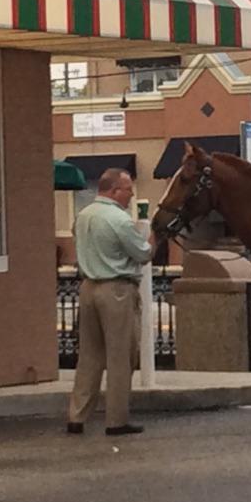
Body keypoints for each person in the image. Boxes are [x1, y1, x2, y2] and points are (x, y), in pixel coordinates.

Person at [66, 168, 156, 436]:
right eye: (128, 190)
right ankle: (116, 419)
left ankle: (77, 416)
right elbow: (143, 254)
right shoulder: (119, 220)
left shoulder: (83, 216)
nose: (130, 195)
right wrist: (155, 236)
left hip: (88, 288)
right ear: (115, 190)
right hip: (116, 289)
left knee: (90, 356)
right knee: (120, 356)